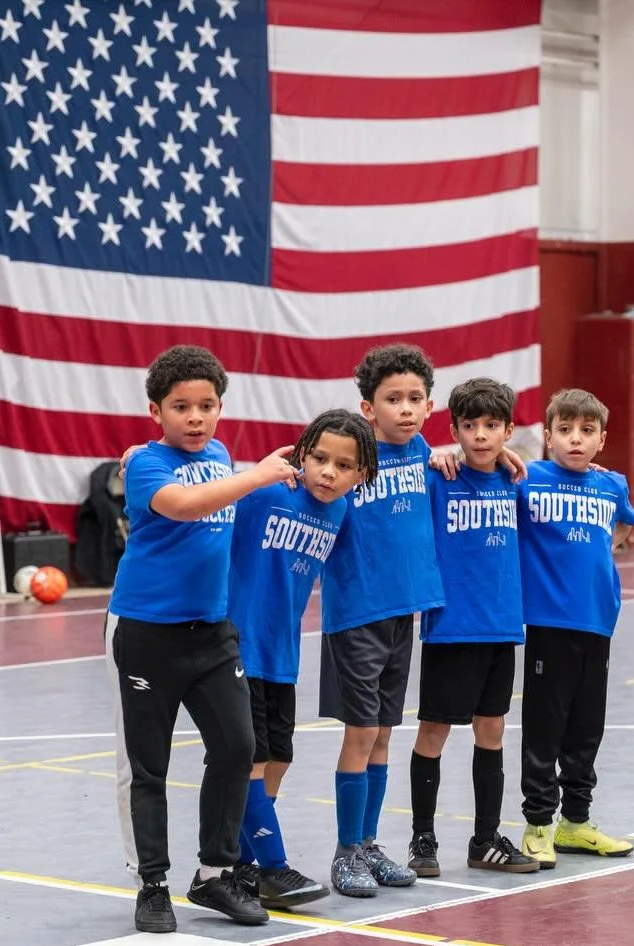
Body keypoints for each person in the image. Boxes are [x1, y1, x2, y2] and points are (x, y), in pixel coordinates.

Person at [107, 345, 298, 933]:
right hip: (147, 633)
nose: (195, 417)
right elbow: (186, 507)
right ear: (155, 411)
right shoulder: (144, 465)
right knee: (148, 765)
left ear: (220, 408)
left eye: (206, 405)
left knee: (239, 747)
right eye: (180, 406)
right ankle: (153, 885)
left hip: (213, 633)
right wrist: (257, 474)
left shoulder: (218, 454)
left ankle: (214, 874)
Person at [225, 410, 377, 908]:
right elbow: (209, 500)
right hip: (238, 643)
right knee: (251, 758)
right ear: (301, 455)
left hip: (282, 650)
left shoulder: (341, 510)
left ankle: (241, 863)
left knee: (279, 758)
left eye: (343, 465)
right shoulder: (268, 492)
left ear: (360, 475)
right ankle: (271, 868)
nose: (329, 472)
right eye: (319, 459)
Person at [319, 344, 444, 897]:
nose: (406, 409)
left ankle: (369, 843)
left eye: (416, 398)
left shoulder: (424, 452)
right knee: (361, 730)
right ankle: (346, 851)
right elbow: (295, 467)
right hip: (356, 613)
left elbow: (488, 456)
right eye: (393, 399)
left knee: (385, 734)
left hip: (403, 612)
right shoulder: (348, 458)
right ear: (368, 407)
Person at [406, 378, 539, 877]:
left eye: (491, 426)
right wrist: (436, 455)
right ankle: (423, 839)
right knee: (434, 730)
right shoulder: (438, 476)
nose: (480, 435)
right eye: (469, 425)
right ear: (455, 428)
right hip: (452, 625)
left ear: (508, 429)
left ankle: (485, 839)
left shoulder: (515, 478)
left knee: (493, 729)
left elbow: (562, 475)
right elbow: (401, 467)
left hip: (502, 625)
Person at [518, 388, 634, 868]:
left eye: (586, 431)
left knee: (587, 728)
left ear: (601, 439)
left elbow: (625, 525)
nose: (575, 439)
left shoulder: (612, 486)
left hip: (599, 621)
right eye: (565, 430)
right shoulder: (527, 478)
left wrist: (604, 552)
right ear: (547, 436)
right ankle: (539, 824)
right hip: (550, 623)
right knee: (545, 728)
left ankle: (576, 822)